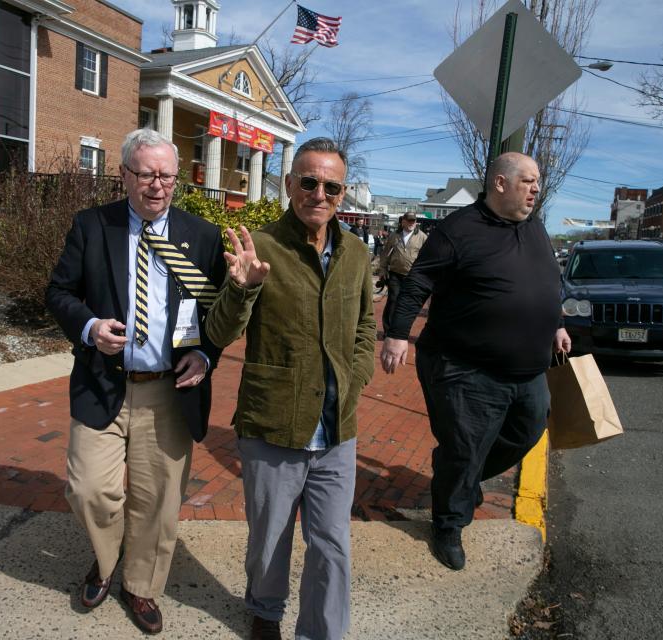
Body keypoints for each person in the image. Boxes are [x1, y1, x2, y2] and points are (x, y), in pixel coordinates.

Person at [45, 128, 226, 634]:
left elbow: (219, 314)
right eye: (145, 173)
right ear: (124, 174)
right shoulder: (91, 225)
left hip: (171, 389)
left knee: (159, 502)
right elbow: (59, 292)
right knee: (89, 490)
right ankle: (106, 562)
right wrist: (88, 326)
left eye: (166, 175)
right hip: (103, 382)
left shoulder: (203, 236)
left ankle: (140, 585)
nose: (156, 185)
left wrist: (206, 356)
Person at [206, 138, 376, 640]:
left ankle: (323, 633)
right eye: (308, 181)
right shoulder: (259, 246)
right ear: (289, 185)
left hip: (337, 426)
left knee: (332, 543)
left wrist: (356, 376)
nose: (318, 193)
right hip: (273, 421)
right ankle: (265, 609)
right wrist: (242, 287)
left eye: (330, 185)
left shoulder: (356, 254)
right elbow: (220, 333)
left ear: (342, 195)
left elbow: (366, 325)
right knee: (269, 539)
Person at [379, 152, 570, 571]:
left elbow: (545, 283)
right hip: (465, 366)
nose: (536, 188)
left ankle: (456, 477)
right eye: (528, 181)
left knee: (528, 431)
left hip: (528, 369)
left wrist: (556, 323)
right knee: (465, 447)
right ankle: (448, 523)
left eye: (538, 181)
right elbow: (417, 284)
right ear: (500, 183)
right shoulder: (458, 230)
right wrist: (397, 334)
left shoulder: (535, 227)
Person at [379, 212, 428, 335]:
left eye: (414, 221)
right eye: (409, 220)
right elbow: (385, 253)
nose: (412, 223)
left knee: (406, 304)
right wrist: (382, 269)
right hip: (395, 273)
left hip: (412, 276)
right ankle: (388, 331)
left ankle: (399, 331)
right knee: (393, 300)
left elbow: (427, 257)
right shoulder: (394, 235)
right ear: (403, 221)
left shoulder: (422, 237)